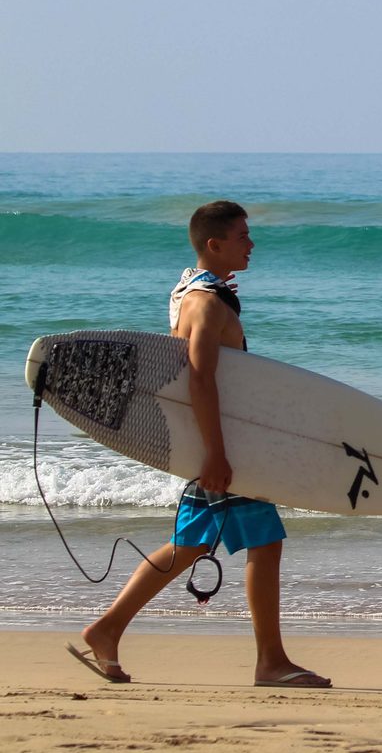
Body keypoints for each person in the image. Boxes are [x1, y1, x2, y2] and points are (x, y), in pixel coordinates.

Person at [69, 201, 330, 688]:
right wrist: (216, 453)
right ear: (215, 245)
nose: (251, 244)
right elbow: (199, 381)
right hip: (222, 445)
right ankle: (270, 663)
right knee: (265, 542)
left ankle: (106, 629)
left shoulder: (195, 289)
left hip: (213, 442)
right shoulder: (206, 303)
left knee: (189, 545)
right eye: (243, 236)